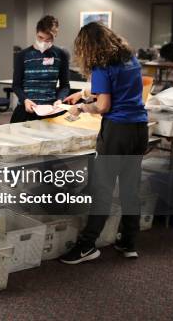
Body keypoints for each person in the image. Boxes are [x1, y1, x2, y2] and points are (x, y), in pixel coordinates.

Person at [59, 22, 148, 264]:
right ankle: (128, 242)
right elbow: (118, 91)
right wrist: (88, 94)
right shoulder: (130, 59)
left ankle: (87, 246)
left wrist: (81, 107)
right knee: (130, 188)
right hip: (140, 128)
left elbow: (103, 106)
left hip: (117, 131)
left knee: (102, 190)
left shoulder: (101, 66)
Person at [11, 15, 70, 123]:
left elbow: (65, 85)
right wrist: (25, 100)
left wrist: (60, 99)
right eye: (40, 38)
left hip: (51, 110)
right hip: (27, 109)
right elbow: (16, 85)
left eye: (48, 39)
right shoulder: (23, 55)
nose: (43, 42)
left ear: (55, 36)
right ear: (36, 33)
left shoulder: (61, 55)